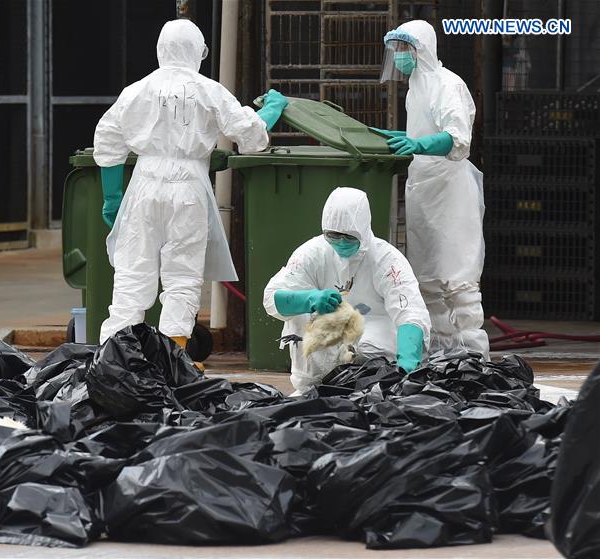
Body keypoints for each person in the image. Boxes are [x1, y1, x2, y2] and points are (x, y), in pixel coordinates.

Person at [93, 18, 287, 352]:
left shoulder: (136, 90)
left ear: (159, 49)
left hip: (143, 185)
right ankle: (175, 355)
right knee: (182, 275)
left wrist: (112, 197)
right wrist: (272, 109)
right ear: (198, 52)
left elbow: (107, 140)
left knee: (131, 272)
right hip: (189, 188)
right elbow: (250, 136)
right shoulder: (208, 90)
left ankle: (116, 357)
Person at [376, 20, 490, 358]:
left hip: (450, 190)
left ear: (420, 49)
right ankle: (442, 351)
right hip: (423, 190)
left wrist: (418, 144)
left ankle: (473, 354)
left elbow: (458, 139)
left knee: (458, 278)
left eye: (402, 50)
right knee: (428, 279)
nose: (397, 58)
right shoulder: (416, 87)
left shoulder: (446, 84)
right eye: (394, 51)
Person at [263, 187, 431, 395]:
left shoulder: (387, 260)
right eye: (333, 235)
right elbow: (272, 298)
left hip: (375, 356)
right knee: (302, 320)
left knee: (369, 346)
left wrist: (407, 363)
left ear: (363, 229)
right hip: (321, 355)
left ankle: (375, 386)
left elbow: (410, 311)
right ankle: (311, 388)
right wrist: (309, 299)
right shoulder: (311, 253)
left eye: (350, 237)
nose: (341, 242)